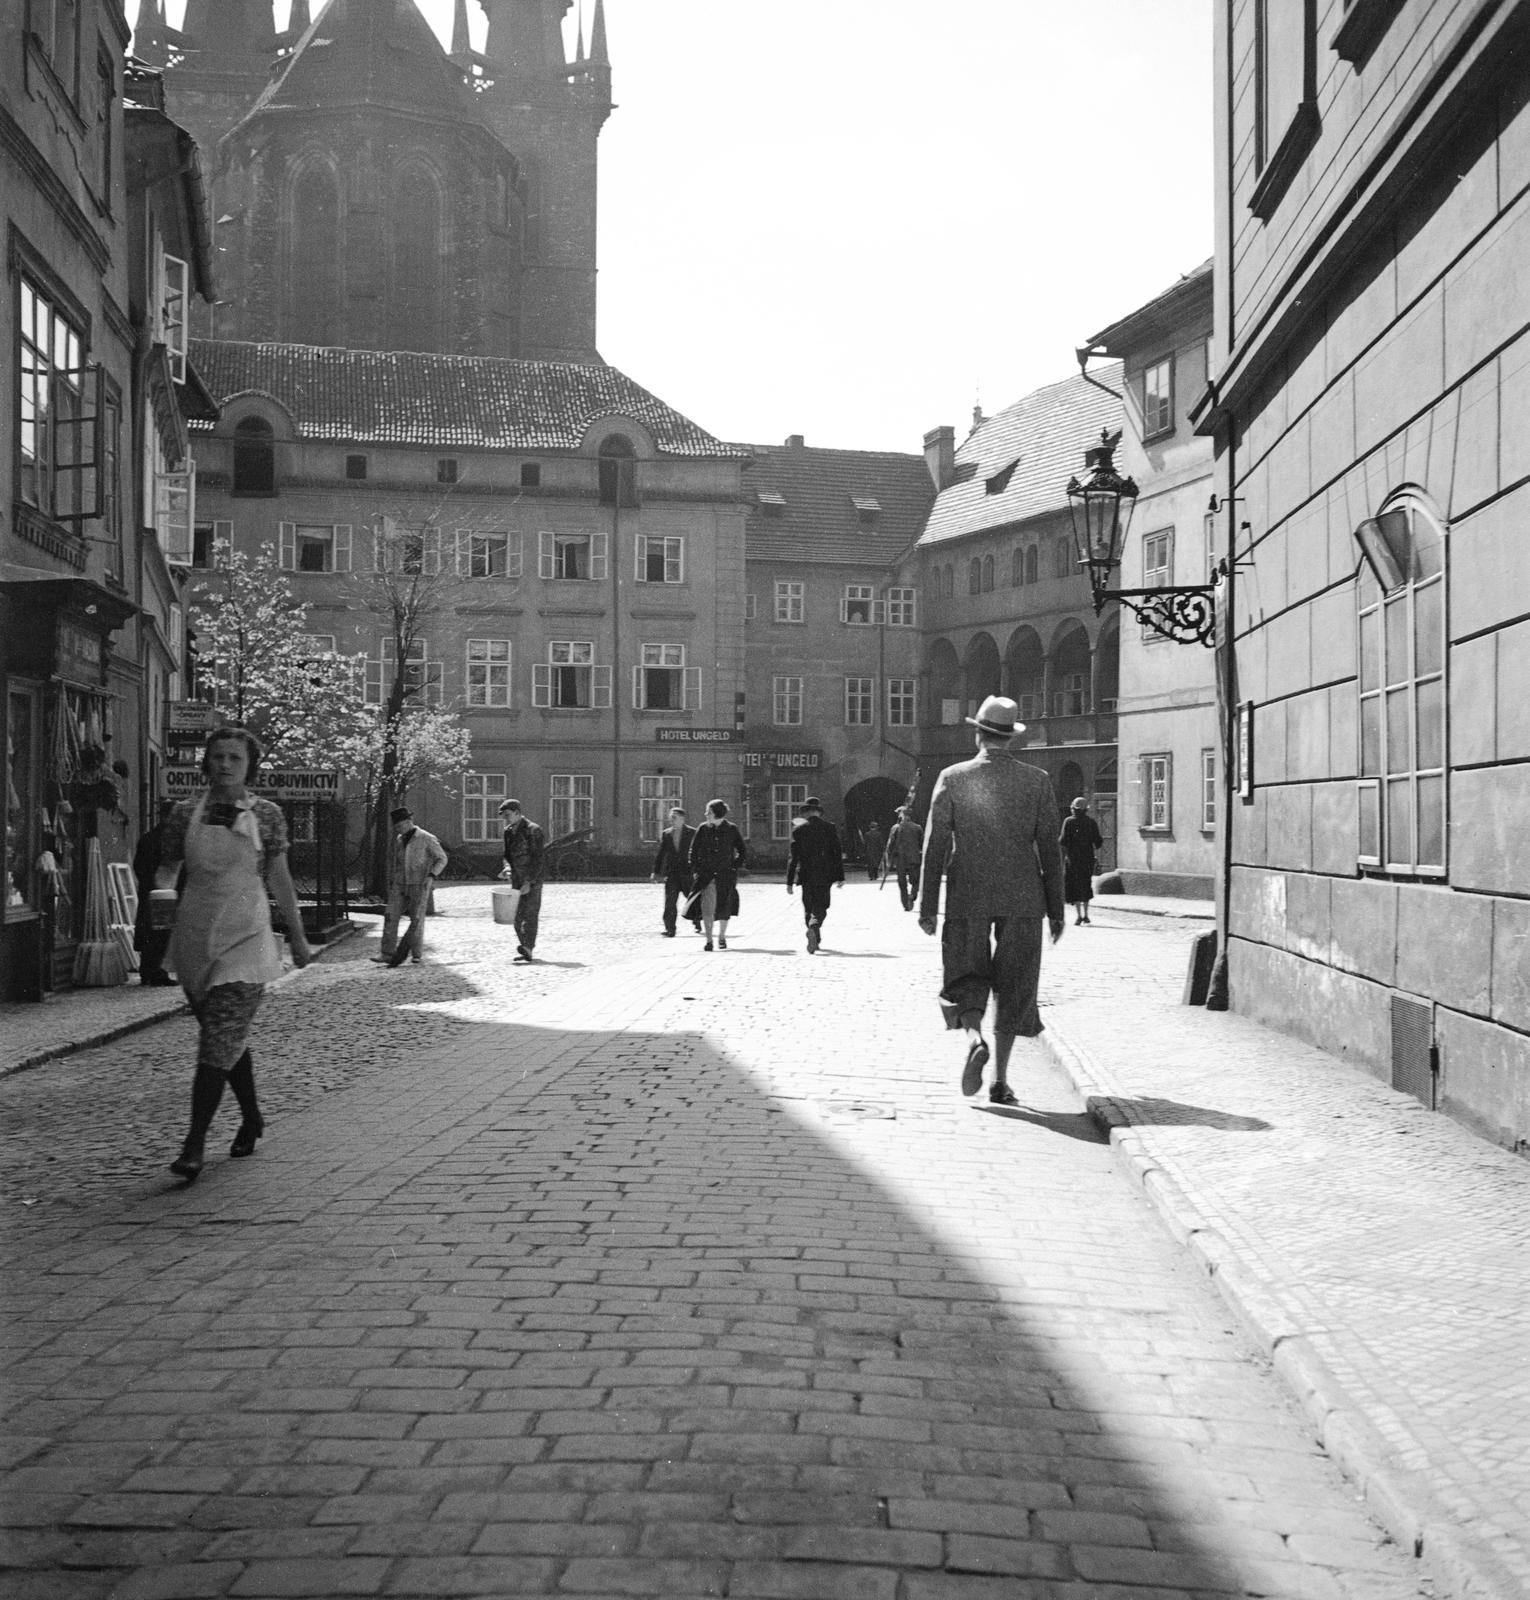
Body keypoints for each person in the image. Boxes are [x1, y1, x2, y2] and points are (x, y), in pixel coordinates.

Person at [157, 725, 311, 1180]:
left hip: (246, 935)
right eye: (217, 757)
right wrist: (159, 895)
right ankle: (251, 1116)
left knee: (218, 1038)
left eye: (234, 758)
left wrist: (298, 936)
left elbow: (280, 879)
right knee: (223, 1037)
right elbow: (168, 869)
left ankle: (194, 1144)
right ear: (206, 762)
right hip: (195, 934)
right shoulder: (184, 813)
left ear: (250, 766)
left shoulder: (267, 816)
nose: (224, 764)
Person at [918, 695, 1064, 1108]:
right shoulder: (1036, 780)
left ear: (977, 733)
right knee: (1016, 986)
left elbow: (935, 846)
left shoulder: (953, 776)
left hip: (968, 893)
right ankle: (1000, 1081)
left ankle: (974, 1038)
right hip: (1024, 897)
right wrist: (1056, 909)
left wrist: (928, 906)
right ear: (1011, 739)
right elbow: (1050, 850)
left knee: (964, 976)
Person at [375, 806, 447, 967]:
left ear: (409, 822)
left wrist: (431, 875)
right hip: (400, 884)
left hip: (419, 883)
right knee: (390, 916)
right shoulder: (400, 840)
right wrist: (393, 878)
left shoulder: (426, 838)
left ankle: (416, 954)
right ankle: (387, 953)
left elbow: (442, 858)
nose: (398, 830)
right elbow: (397, 861)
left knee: (416, 919)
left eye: (400, 826)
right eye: (396, 827)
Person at [785, 795, 844, 953]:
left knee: (808, 905)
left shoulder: (798, 830)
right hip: (825, 874)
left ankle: (814, 934)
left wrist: (789, 881)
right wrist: (840, 876)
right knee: (821, 906)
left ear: (806, 813)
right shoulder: (829, 827)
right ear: (819, 812)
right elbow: (836, 853)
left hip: (805, 874)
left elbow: (794, 857)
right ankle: (814, 927)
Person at [686, 797, 745, 951]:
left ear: (717, 813)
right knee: (707, 908)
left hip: (726, 876)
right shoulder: (703, 828)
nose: (706, 814)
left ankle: (722, 936)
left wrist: (734, 867)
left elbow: (742, 850)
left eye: (709, 812)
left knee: (725, 907)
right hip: (707, 876)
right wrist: (695, 869)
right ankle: (709, 940)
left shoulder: (731, 829)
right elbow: (693, 850)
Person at [131, 810, 177, 985]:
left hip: (148, 891)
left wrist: (146, 883)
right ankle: (158, 972)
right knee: (162, 933)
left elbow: (137, 865)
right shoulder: (171, 841)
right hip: (167, 892)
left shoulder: (147, 837)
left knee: (148, 931)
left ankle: (146, 971)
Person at [499, 798, 547, 962]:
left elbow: (538, 859)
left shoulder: (533, 830)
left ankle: (528, 947)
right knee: (516, 916)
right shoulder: (508, 831)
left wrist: (529, 882)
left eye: (508, 815)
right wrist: (507, 868)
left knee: (530, 914)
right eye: (504, 816)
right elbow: (506, 855)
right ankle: (525, 946)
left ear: (518, 813)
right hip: (516, 879)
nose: (505, 819)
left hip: (532, 880)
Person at [650, 806, 698, 936]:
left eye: (674, 817)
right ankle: (670, 929)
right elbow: (661, 853)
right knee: (670, 902)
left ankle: (697, 920)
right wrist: (656, 871)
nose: (671, 820)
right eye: (670, 817)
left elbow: (698, 852)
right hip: (672, 873)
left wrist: (698, 869)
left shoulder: (692, 833)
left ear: (682, 818)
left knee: (692, 899)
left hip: (687, 873)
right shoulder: (667, 834)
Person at [1060, 795, 1105, 926]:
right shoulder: (1091, 822)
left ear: (1073, 809)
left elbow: (1062, 841)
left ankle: (1078, 916)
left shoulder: (1068, 821)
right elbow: (1098, 842)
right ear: (1086, 810)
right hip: (1087, 859)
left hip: (1072, 860)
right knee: (1085, 885)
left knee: (1074, 886)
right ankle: (1086, 915)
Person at [887, 806, 924, 912]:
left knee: (902, 883)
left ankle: (906, 905)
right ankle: (912, 896)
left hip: (901, 859)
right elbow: (922, 843)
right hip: (914, 858)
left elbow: (890, 844)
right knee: (915, 881)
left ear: (901, 814)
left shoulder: (895, 828)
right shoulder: (918, 827)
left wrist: (891, 855)